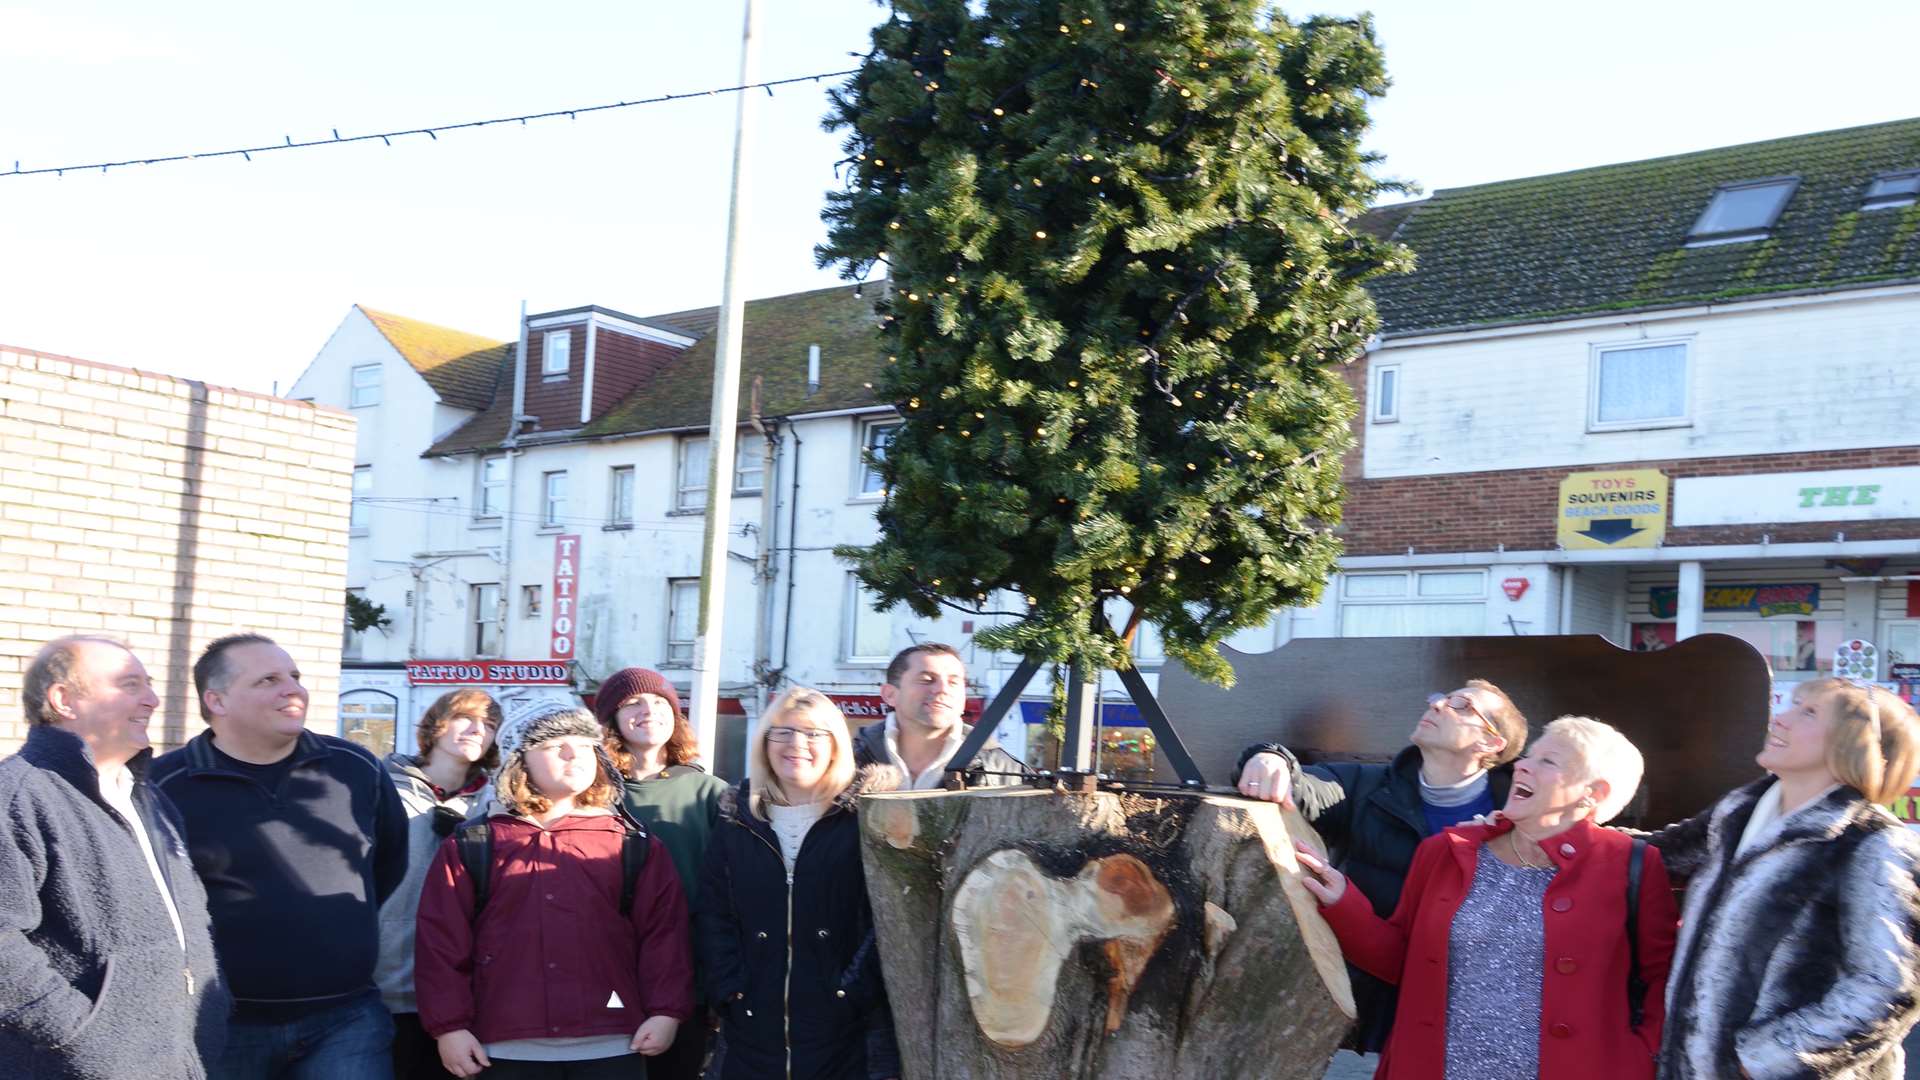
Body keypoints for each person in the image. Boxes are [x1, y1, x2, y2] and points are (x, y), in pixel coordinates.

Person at [1295, 716, 1679, 1079]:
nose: (1523, 767)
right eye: (1527, 756)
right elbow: (1401, 961)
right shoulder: (1445, 851)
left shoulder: (1633, 864)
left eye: (1547, 761)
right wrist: (1344, 902)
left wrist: (1640, 1057)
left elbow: (1665, 978)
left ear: (1594, 793)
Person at [150, 632, 409, 1080]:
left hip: (347, 1017)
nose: (293, 689)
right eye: (268, 679)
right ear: (218, 700)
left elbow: (387, 865)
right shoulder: (163, 785)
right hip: (224, 1024)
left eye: (294, 676)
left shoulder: (356, 769)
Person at [1646, 678, 1920, 1079]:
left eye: (1808, 712)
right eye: (1792, 705)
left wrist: (1765, 1061)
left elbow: (1889, 990)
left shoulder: (1873, 843)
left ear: (1854, 744)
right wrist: (1562, 832)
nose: (1781, 719)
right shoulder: (1737, 814)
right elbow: (1650, 857)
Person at [1234, 680, 1530, 1051]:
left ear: (1490, 743)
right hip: (1368, 1020)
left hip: (1471, 1022)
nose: (1438, 706)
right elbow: (1301, 786)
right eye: (1441, 698)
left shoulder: (1521, 819)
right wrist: (1268, 757)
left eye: (1461, 706)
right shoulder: (1368, 787)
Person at [414, 702, 693, 1080]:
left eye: (582, 743)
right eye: (552, 744)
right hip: (503, 1046)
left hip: (612, 1040)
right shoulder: (475, 842)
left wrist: (666, 1011)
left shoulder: (632, 843)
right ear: (520, 760)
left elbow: (664, 934)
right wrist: (448, 1026)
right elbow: (441, 941)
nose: (571, 752)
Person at [0, 635, 230, 1078]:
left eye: (149, 684)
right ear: (64, 699)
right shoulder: (16, 797)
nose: (153, 699)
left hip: (176, 1060)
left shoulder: (150, 799)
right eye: (130, 685)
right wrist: (83, 1038)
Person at [698, 688, 901, 1080]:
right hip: (752, 1029)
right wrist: (730, 988)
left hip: (844, 1033)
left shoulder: (865, 817)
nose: (797, 744)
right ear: (765, 741)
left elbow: (887, 917)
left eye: (813, 734)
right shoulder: (739, 818)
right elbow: (713, 909)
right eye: (783, 732)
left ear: (835, 744)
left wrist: (852, 991)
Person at [592, 666, 729, 1080]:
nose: (648, 710)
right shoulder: (591, 790)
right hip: (605, 972)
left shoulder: (710, 793)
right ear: (612, 719)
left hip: (689, 974)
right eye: (632, 702)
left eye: (659, 701)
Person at [378, 689, 502, 1080]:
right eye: (466, 718)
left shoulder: (496, 801)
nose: (477, 730)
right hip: (384, 986)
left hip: (464, 993)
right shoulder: (382, 788)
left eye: (490, 725)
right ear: (437, 724)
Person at [850, 643, 1024, 789]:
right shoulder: (848, 761)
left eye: (953, 682)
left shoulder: (1003, 768)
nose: (942, 689)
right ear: (890, 694)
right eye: (926, 680)